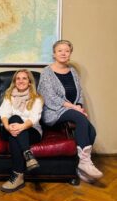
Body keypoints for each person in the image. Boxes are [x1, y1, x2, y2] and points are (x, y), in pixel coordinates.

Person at [37, 39, 103, 183]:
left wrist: (79, 106)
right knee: (81, 119)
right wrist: (75, 108)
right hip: (52, 112)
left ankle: (80, 166)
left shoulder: (72, 71)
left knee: (92, 131)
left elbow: (79, 93)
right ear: (54, 54)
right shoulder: (46, 73)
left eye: (67, 51)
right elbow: (49, 98)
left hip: (72, 110)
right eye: (60, 50)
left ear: (70, 54)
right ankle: (85, 163)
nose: (63, 53)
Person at [0, 69, 43, 192]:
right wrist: (9, 127)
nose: (21, 81)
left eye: (24, 78)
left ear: (29, 82)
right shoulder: (9, 96)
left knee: (16, 130)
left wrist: (20, 127)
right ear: (14, 82)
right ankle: (28, 155)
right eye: (18, 78)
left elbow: (34, 118)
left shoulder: (37, 98)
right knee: (14, 118)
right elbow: (3, 114)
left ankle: (18, 176)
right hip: (9, 129)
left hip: (32, 130)